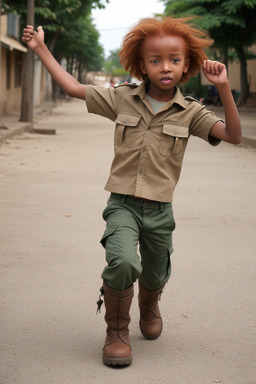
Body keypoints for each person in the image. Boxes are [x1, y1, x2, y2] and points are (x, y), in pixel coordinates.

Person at [22, 17, 241, 367]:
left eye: (174, 60)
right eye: (155, 60)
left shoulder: (190, 112)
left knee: (154, 274)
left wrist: (224, 87)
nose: (165, 67)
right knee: (123, 262)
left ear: (187, 65)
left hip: (160, 211)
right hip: (122, 204)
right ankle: (117, 332)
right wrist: (40, 48)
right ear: (142, 65)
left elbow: (233, 135)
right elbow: (73, 87)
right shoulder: (123, 98)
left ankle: (149, 304)